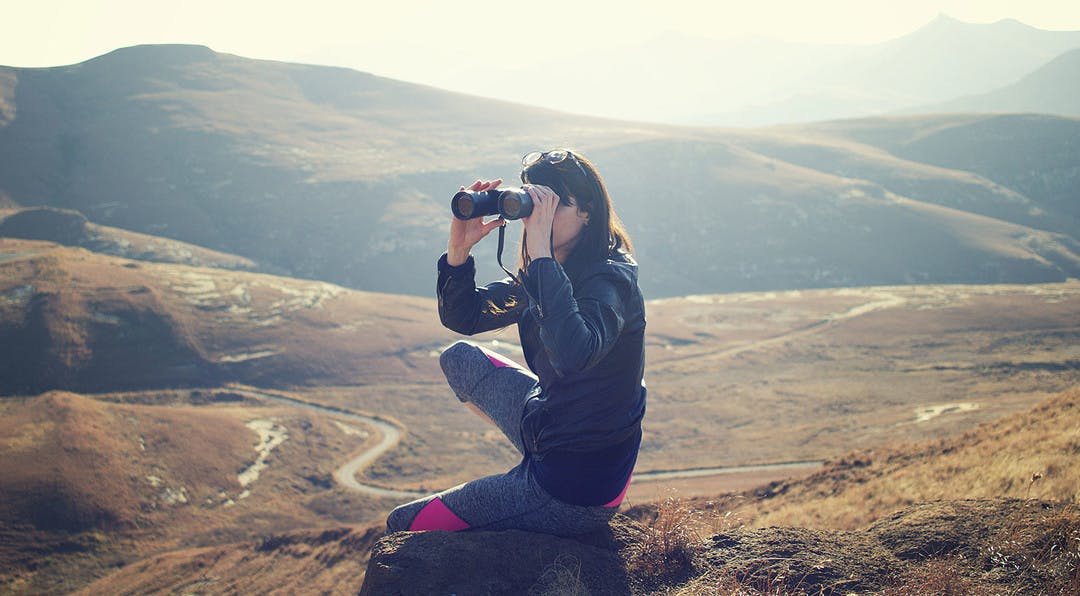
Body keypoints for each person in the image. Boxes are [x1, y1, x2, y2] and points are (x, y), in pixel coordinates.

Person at [385, 149, 646, 536]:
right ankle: (530, 464)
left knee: (403, 524)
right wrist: (458, 254)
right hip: (551, 422)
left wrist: (540, 254)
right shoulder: (552, 268)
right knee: (459, 359)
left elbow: (577, 354)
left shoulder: (608, 281)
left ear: (588, 212)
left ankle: (529, 489)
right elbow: (466, 317)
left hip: (575, 486)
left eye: (554, 206)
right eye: (533, 205)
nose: (536, 219)